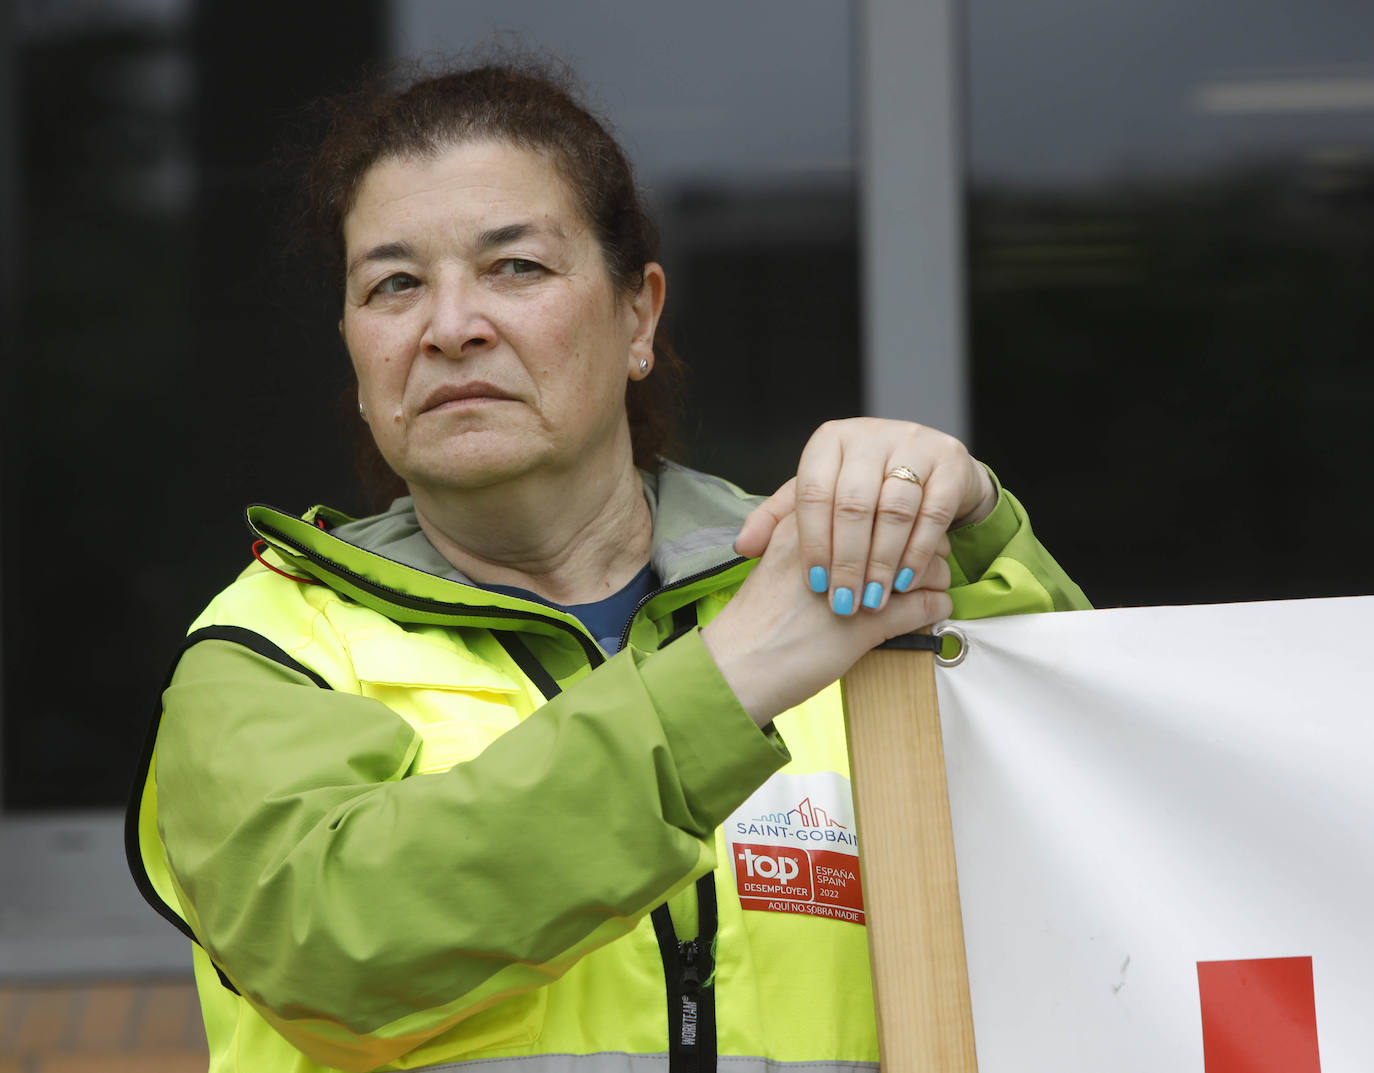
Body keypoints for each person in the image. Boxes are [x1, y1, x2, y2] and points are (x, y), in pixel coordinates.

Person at [127, 58, 1089, 1073]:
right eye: (394, 284)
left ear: (639, 315)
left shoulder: (839, 576)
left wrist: (971, 522)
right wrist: (729, 680)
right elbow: (329, 943)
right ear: (358, 353)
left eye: (516, 268)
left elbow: (1103, 816)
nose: (451, 327)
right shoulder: (271, 649)